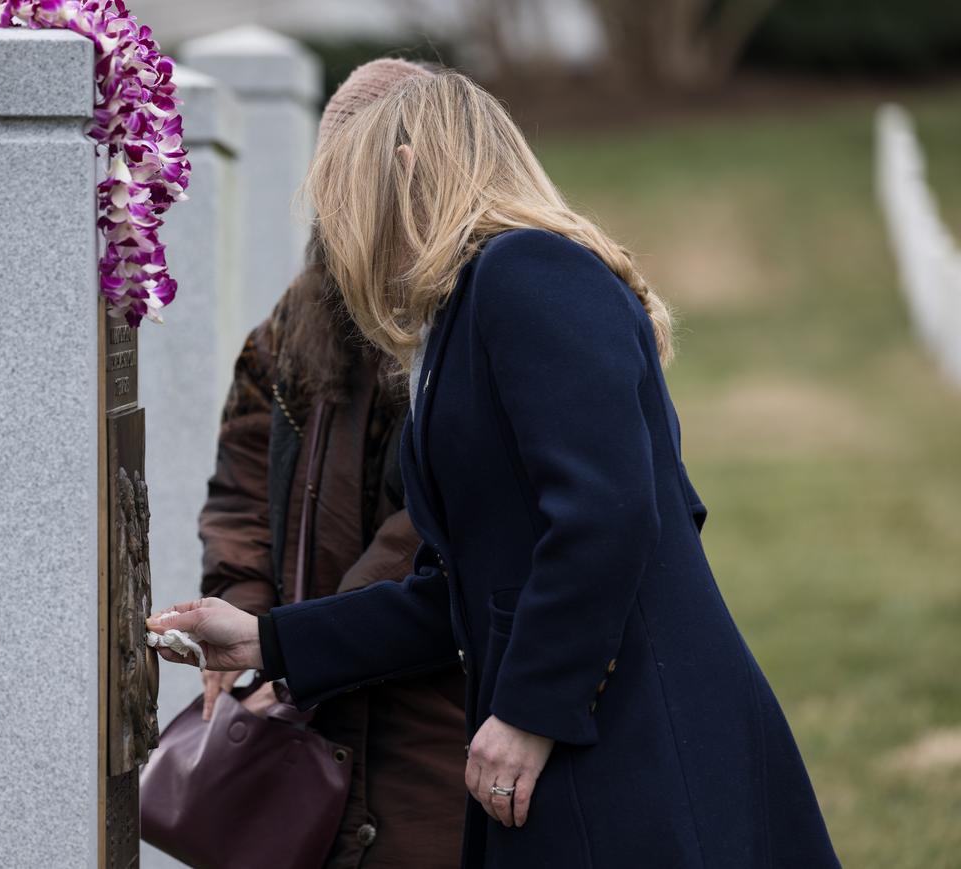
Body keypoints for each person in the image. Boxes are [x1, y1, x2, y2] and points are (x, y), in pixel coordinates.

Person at [151, 71, 841, 868]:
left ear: (406, 168)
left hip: (632, 741)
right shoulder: (464, 310)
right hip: (585, 741)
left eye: (343, 191)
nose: (336, 226)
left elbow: (608, 514)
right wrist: (266, 640)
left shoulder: (530, 272)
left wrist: (530, 712)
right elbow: (457, 591)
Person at [194, 59, 466, 869]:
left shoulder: (470, 313)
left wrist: (295, 647)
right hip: (302, 703)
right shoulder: (292, 322)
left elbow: (435, 529)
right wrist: (246, 619)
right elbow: (239, 487)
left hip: (434, 713)